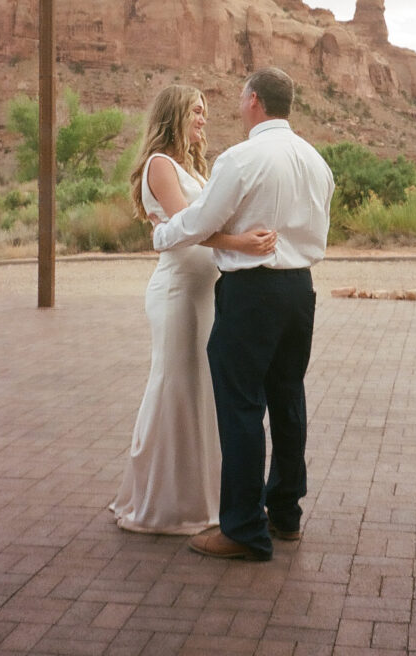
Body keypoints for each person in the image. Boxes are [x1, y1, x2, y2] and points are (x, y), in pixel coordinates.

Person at [153, 67, 335, 561]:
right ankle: (286, 516)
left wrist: (162, 234)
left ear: (254, 100)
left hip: (252, 292)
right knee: (288, 398)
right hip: (300, 290)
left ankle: (242, 530)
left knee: (240, 406)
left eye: (239, 98)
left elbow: (201, 221)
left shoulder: (241, 158)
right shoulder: (317, 161)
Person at [111, 84, 277, 535]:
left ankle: (200, 496)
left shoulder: (193, 168)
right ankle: (167, 504)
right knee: (176, 386)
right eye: (196, 112)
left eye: (205, 111)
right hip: (179, 292)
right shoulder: (160, 165)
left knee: (198, 388)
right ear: (175, 115)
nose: (204, 119)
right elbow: (186, 227)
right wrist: (239, 242)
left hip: (204, 293)